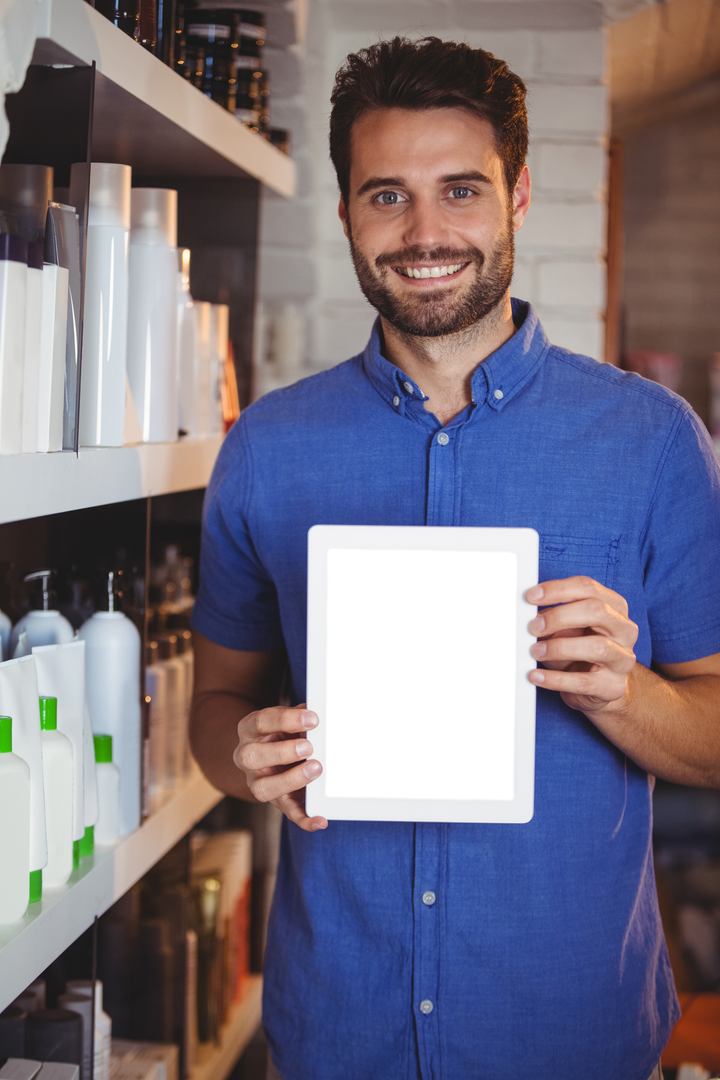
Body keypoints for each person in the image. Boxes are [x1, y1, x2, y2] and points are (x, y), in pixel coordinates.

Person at [190, 36, 720, 1080]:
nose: (425, 232)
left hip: (574, 1033)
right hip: (338, 1031)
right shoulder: (266, 446)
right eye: (386, 195)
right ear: (344, 212)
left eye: (460, 189)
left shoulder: (655, 442)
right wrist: (241, 756)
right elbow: (216, 711)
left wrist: (622, 694)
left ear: (517, 196)